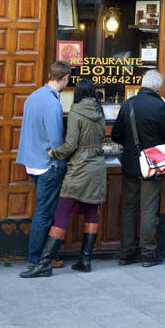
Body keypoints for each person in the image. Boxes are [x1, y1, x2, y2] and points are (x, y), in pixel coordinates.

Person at [20, 79, 107, 278]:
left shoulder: (76, 110)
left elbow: (71, 145)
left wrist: (54, 153)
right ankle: (85, 259)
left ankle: (43, 263)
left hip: (79, 168)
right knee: (92, 211)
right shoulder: (99, 111)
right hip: (97, 167)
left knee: (61, 213)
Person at [111, 70, 165, 267]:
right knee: (148, 209)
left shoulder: (127, 104)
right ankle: (148, 254)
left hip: (131, 163)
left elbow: (116, 135)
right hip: (152, 164)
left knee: (129, 208)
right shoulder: (159, 106)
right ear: (157, 87)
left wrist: (132, 146)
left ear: (142, 84)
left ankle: (126, 252)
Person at [16, 61, 71, 277]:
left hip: (32, 162)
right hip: (47, 165)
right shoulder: (52, 103)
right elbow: (57, 138)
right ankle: (36, 259)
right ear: (65, 77)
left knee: (43, 211)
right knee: (45, 213)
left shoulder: (34, 96)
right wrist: (61, 156)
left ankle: (41, 257)